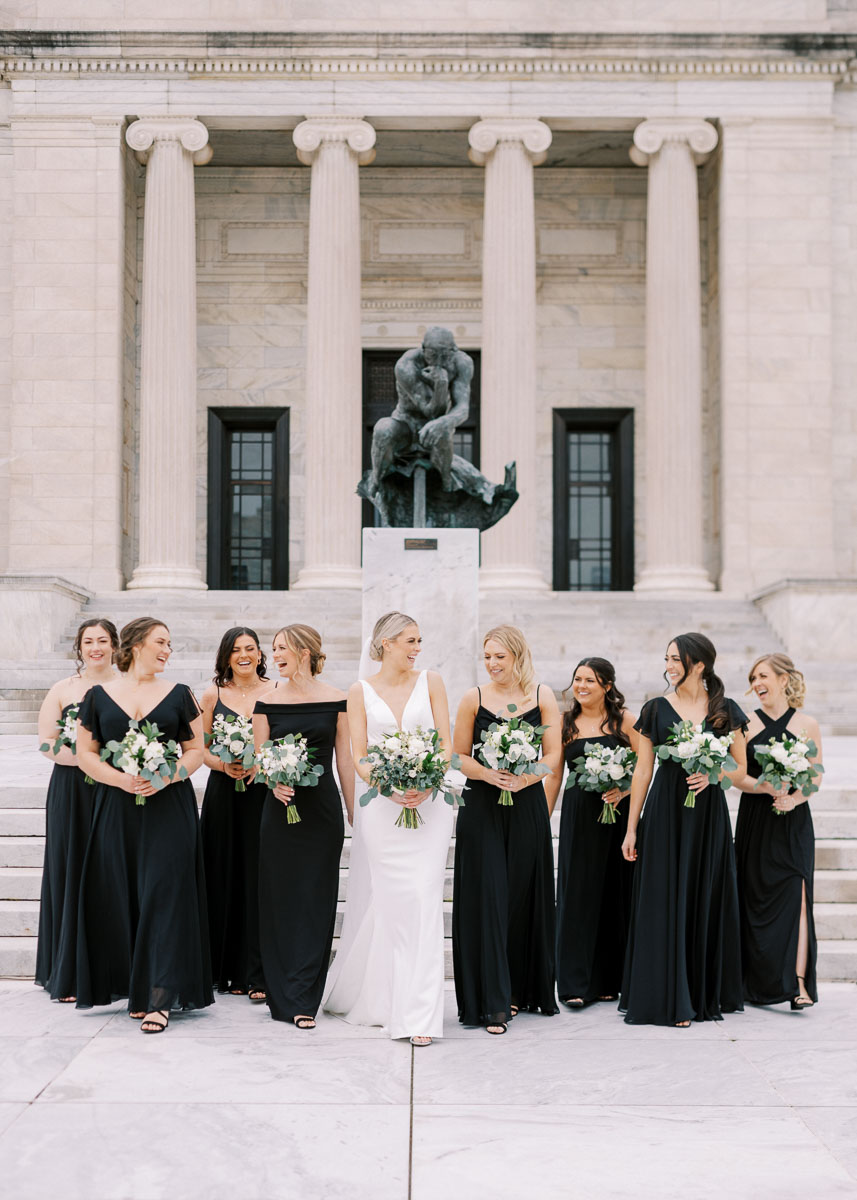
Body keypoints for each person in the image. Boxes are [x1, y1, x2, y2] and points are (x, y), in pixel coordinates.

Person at [75, 617, 213, 1033]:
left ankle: (160, 994)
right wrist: (120, 778)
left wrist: (167, 776)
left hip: (168, 808)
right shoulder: (98, 696)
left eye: (169, 643)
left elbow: (195, 750)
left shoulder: (180, 694)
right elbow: (86, 754)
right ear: (135, 645)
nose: (168, 650)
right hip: (116, 809)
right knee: (124, 892)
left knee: (165, 893)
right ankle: (134, 987)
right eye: (161, 642)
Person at [324, 612, 454, 1046]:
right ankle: (383, 998)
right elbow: (359, 754)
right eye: (409, 640)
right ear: (385, 644)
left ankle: (418, 1016)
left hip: (431, 807)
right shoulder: (358, 691)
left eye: (419, 639)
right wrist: (390, 786)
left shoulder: (431, 681)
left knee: (421, 901)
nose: (417, 647)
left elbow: (445, 743)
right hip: (382, 809)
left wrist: (428, 779)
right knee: (393, 904)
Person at [620, 632, 747, 1027]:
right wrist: (632, 828)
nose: (669, 666)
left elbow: (740, 770)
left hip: (708, 816)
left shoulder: (726, 709)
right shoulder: (656, 708)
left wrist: (714, 776)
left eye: (676, 659)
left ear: (699, 664)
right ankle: (666, 997)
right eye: (667, 659)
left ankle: (699, 994)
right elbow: (644, 769)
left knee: (702, 895)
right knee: (663, 898)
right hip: (665, 813)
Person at [452, 625, 561, 1034]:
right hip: (482, 806)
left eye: (500, 656)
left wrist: (525, 778)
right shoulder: (473, 698)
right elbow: (457, 754)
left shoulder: (542, 696)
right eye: (488, 657)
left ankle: (518, 991)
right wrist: (488, 773)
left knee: (520, 896)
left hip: (526, 804)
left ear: (518, 656)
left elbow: (553, 754)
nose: (493, 664)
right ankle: (493, 1003)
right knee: (489, 898)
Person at [253, 625, 353, 1030]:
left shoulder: (337, 699)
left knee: (315, 900)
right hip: (280, 810)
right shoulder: (265, 701)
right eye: (273, 649)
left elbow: (344, 760)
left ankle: (305, 996)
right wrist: (271, 778)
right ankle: (281, 992)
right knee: (279, 899)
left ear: (305, 651)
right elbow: (260, 759)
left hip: (322, 812)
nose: (274, 655)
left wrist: (353, 811)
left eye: (282, 649)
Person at [544, 657, 637, 1008]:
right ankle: (573, 984)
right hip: (579, 818)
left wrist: (625, 791)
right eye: (578, 680)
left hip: (617, 817)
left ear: (607, 686)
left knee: (616, 892)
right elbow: (554, 774)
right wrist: (543, 816)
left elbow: (647, 766)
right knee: (577, 894)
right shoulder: (565, 723)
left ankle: (610, 980)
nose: (581, 686)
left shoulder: (625, 720)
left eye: (590, 681)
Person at [35, 618, 119, 1003]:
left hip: (112, 787)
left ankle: (113, 970)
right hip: (71, 790)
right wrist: (83, 759)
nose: (96, 647)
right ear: (79, 647)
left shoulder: (124, 687)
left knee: (109, 872)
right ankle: (67, 973)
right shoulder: (62, 689)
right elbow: (46, 742)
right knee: (69, 872)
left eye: (103, 640)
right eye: (89, 641)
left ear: (116, 646)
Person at [734, 653, 822, 1010]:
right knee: (752, 898)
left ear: (784, 680)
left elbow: (815, 776)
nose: (756, 684)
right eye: (753, 678)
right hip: (756, 819)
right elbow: (736, 775)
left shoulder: (807, 723)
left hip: (793, 823)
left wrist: (795, 799)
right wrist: (766, 788)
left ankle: (798, 983)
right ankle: (751, 982)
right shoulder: (745, 723)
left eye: (763, 676)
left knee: (797, 897)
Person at [199, 627, 270, 1002]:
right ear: (226, 656)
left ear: (260, 654)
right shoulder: (213, 695)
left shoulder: (275, 692)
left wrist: (261, 763)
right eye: (236, 650)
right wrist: (223, 765)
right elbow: (200, 748)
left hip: (261, 795)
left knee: (257, 875)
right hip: (223, 793)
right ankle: (223, 970)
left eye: (251, 649)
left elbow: (283, 740)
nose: (244, 655)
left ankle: (255, 972)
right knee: (222, 872)